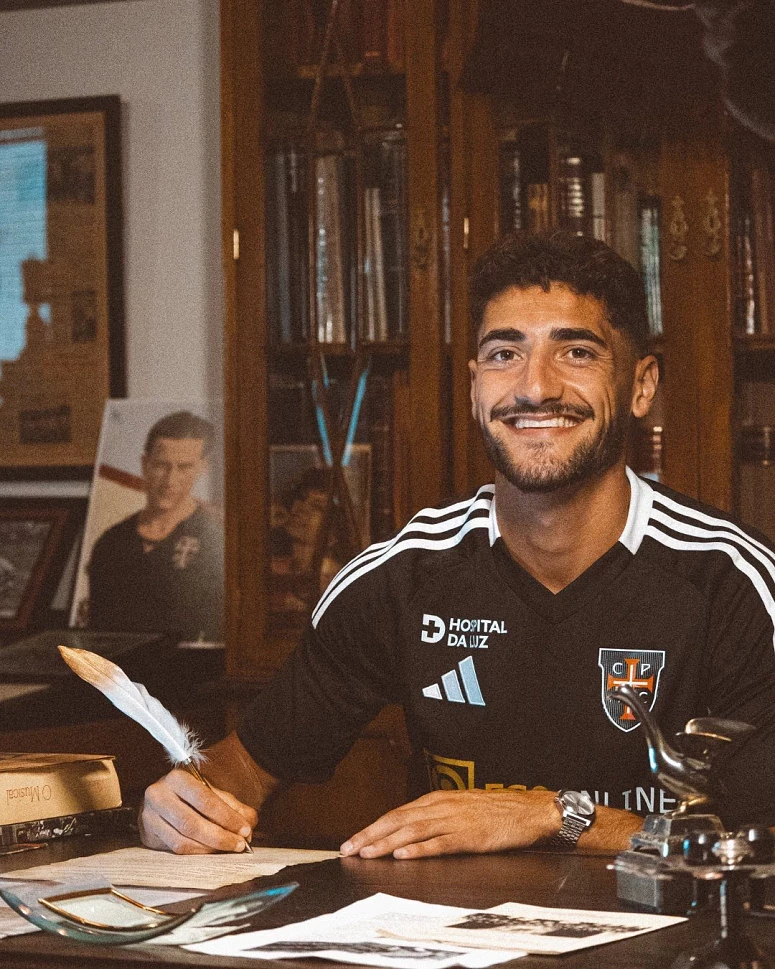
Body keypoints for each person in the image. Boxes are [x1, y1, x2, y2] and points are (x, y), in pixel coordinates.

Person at [139, 231, 775, 858]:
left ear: (640, 385)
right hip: (451, 925)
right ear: (474, 387)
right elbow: (246, 767)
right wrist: (185, 803)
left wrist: (555, 817)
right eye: (504, 354)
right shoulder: (402, 576)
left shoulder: (733, 582)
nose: (535, 387)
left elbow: (760, 842)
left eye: (577, 352)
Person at [87, 410, 224, 643]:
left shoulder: (216, 540)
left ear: (203, 468)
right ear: (145, 464)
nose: (170, 480)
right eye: (161, 465)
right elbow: (98, 637)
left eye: (184, 467)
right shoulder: (111, 543)